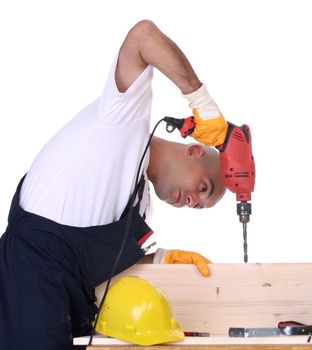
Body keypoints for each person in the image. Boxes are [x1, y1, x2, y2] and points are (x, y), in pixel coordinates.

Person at [0, 20, 229, 349]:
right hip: (32, 273)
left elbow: (95, 255)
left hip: (62, 291)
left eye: (199, 206)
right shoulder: (123, 120)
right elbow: (142, 36)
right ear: (194, 151)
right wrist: (201, 100)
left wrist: (160, 259)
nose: (191, 202)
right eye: (204, 188)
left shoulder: (139, 202)